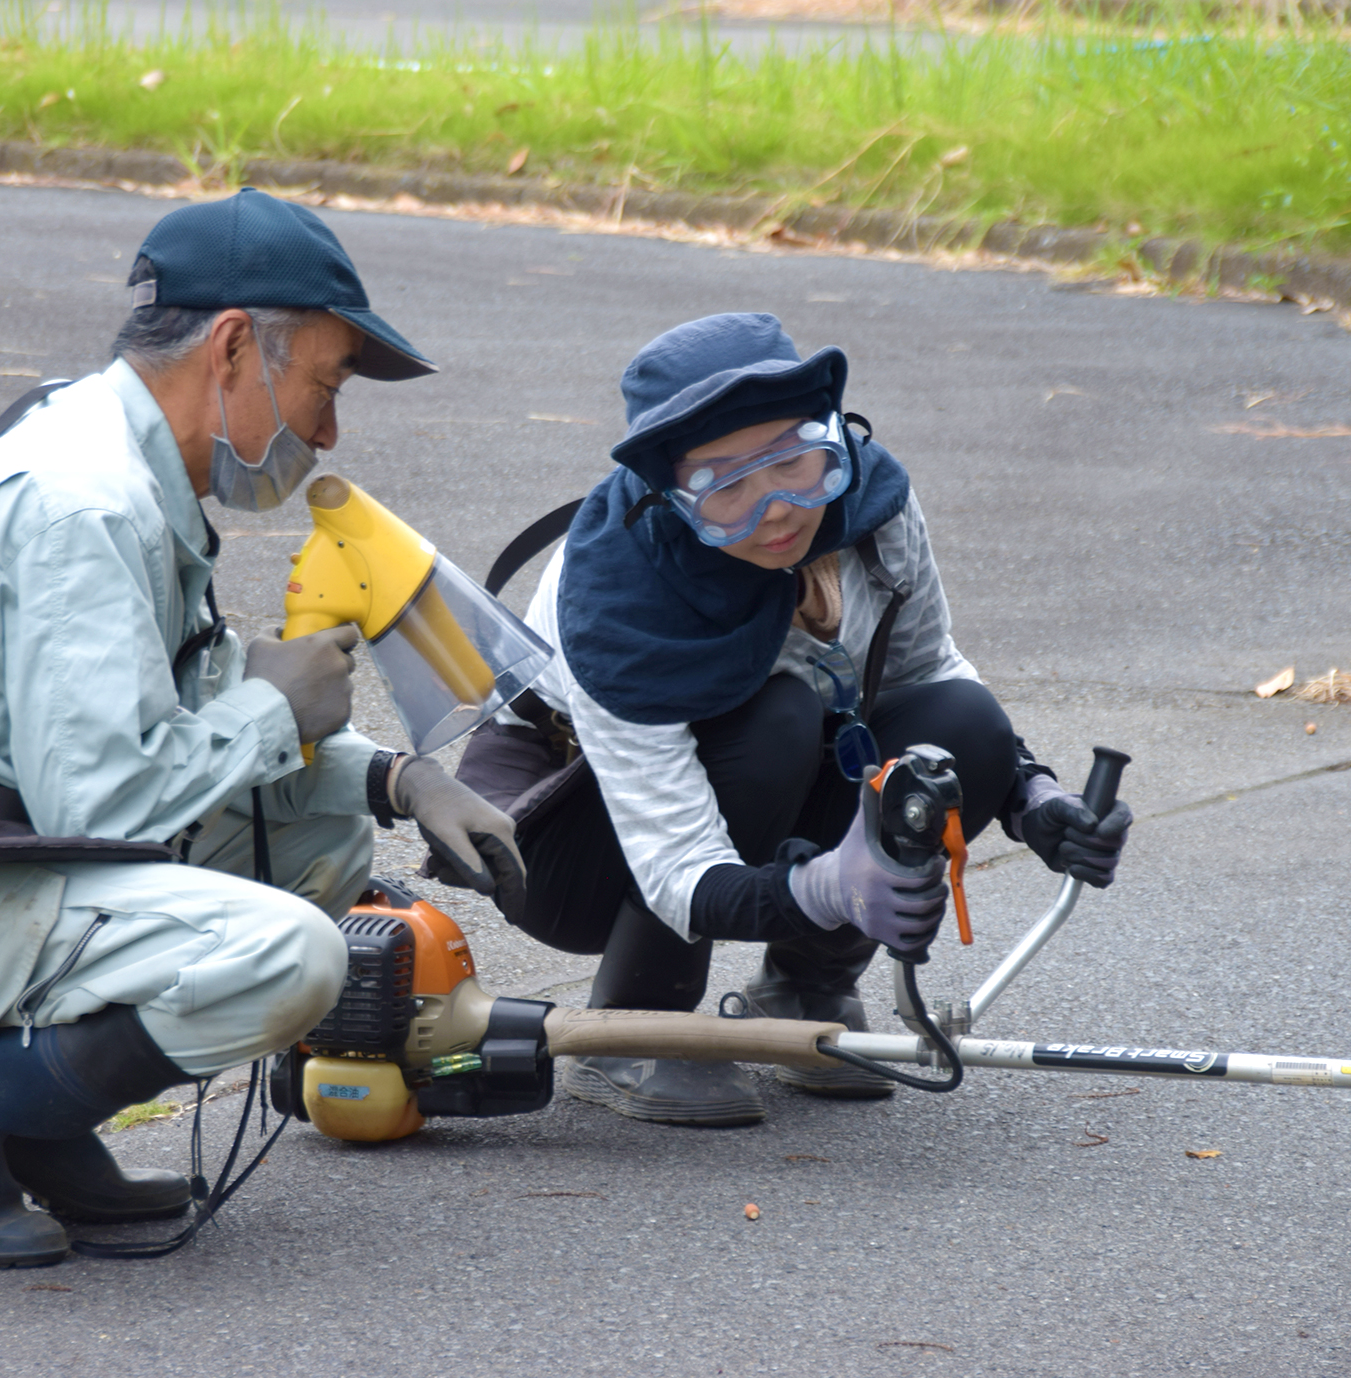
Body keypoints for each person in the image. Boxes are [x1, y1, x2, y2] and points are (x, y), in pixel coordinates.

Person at [0, 190, 522, 1268]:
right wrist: (271, 710)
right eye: (326, 385)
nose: (331, 431)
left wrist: (397, 781)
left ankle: (36, 1122)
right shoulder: (85, 502)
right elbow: (107, 803)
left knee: (326, 840)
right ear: (236, 346)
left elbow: (171, 736)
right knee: (292, 956)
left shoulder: (114, 458)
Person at [457, 312, 1132, 1127]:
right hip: (566, 835)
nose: (775, 510)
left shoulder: (874, 509)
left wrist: (1034, 799)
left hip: (773, 755)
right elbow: (672, 863)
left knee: (962, 724)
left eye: (792, 462)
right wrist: (823, 886)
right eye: (724, 487)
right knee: (773, 719)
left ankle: (806, 985)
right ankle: (634, 1027)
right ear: (672, 494)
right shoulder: (615, 596)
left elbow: (927, 676)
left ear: (833, 438)